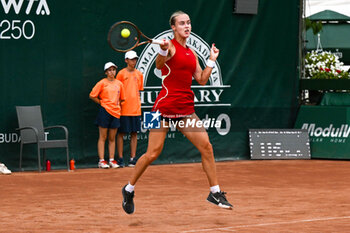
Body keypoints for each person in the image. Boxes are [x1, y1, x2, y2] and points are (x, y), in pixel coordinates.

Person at [121, 11, 232, 214]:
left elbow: (201, 79)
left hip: (185, 109)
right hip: (160, 108)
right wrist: (163, 51)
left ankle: (215, 192)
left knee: (206, 147)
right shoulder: (169, 46)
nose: (187, 26)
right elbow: (159, 65)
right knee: (152, 153)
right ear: (173, 27)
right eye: (182, 23)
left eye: (188, 22)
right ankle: (128, 189)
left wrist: (211, 60)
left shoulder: (192, 53)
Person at [89, 62, 125, 169]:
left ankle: (111, 160)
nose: (112, 72)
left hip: (116, 113)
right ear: (106, 72)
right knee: (103, 137)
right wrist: (102, 103)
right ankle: (101, 161)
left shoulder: (119, 84)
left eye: (113, 70)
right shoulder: (102, 83)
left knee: (112, 138)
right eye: (109, 70)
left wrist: (117, 107)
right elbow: (92, 95)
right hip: (104, 112)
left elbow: (122, 99)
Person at [116, 51, 144, 168]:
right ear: (126, 60)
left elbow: (139, 91)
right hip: (123, 109)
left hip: (136, 109)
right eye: (131, 59)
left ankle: (133, 158)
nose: (134, 61)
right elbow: (117, 91)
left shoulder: (139, 74)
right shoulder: (121, 74)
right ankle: (121, 158)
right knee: (121, 134)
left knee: (134, 134)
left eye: (135, 59)